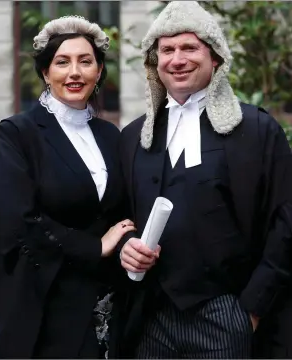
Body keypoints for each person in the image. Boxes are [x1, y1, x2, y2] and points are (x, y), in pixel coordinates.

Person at [118, 1, 292, 359]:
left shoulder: (258, 130)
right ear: (155, 63)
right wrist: (127, 248)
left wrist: (251, 312)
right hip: (152, 317)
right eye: (167, 50)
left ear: (215, 58)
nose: (177, 59)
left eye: (189, 47)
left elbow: (285, 222)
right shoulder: (134, 137)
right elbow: (118, 218)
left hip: (228, 314)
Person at [0, 15, 135, 359]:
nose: (75, 72)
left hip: (106, 308)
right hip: (43, 309)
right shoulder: (15, 136)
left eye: (85, 62)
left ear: (99, 71)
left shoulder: (110, 136)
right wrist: (92, 247)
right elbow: (16, 223)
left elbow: (121, 212)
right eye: (62, 62)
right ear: (45, 72)